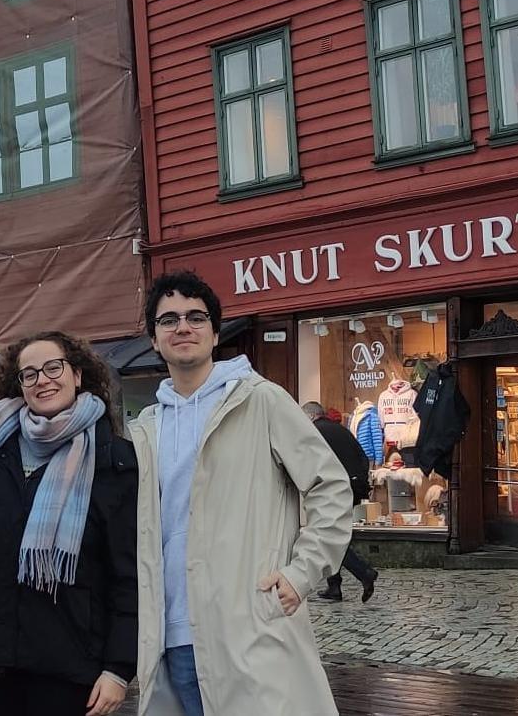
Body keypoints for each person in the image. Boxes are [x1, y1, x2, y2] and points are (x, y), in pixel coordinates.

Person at [128, 271, 352, 716]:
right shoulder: (145, 429)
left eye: (196, 316)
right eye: (168, 319)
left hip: (248, 629)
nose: (183, 327)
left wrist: (300, 572)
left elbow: (329, 485)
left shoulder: (259, 400)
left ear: (214, 332)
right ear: (154, 338)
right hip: (171, 640)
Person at [0, 331, 138, 716]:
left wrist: (118, 668)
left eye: (53, 367)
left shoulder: (114, 459)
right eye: (29, 374)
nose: (42, 380)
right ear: (19, 386)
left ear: (77, 375)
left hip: (69, 670)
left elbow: (128, 574)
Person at [302, 401, 380, 603]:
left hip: (334, 488)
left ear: (310, 417)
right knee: (332, 533)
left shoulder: (314, 433)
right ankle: (334, 586)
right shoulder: (340, 430)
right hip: (353, 486)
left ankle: (364, 573)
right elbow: (362, 457)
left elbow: (310, 463)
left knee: (330, 537)